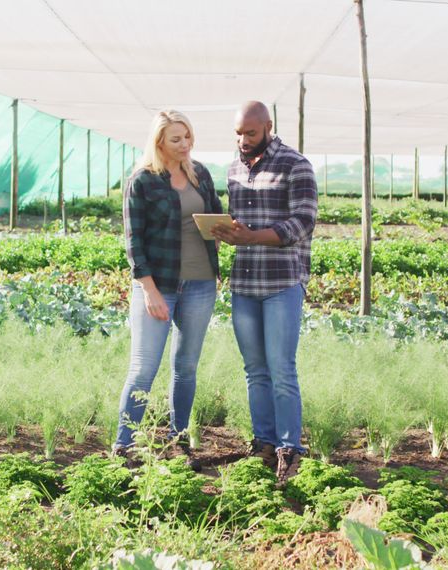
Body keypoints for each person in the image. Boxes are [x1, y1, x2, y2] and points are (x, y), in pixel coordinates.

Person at [211, 101, 318, 483]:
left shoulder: (296, 164)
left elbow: (303, 222)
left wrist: (253, 237)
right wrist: (228, 233)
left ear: (268, 127)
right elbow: (242, 223)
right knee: (255, 371)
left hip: (281, 283)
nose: (243, 140)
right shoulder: (234, 169)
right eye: (238, 133)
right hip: (244, 282)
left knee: (281, 368)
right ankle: (264, 443)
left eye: (250, 133)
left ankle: (291, 449)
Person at [114, 110, 223, 468]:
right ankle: (124, 446)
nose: (185, 145)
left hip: (201, 282)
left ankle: (178, 440)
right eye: (176, 139)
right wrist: (149, 290)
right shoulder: (142, 181)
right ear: (159, 141)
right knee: (144, 367)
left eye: (188, 137)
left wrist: (226, 232)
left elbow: (218, 216)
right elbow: (134, 243)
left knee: (186, 366)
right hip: (158, 285)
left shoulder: (200, 174)